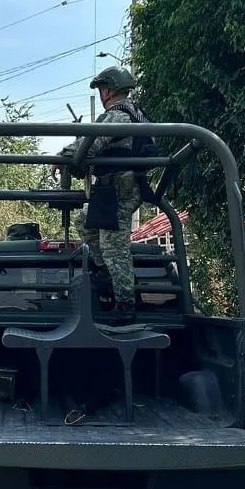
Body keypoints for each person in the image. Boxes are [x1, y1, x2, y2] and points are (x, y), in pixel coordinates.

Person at [56, 65, 153, 325]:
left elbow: (94, 141)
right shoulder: (133, 114)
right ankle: (106, 273)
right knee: (83, 221)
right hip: (112, 189)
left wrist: (64, 156)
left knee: (114, 246)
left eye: (101, 89)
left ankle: (126, 304)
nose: (101, 94)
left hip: (120, 189)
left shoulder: (119, 115)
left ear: (108, 90)